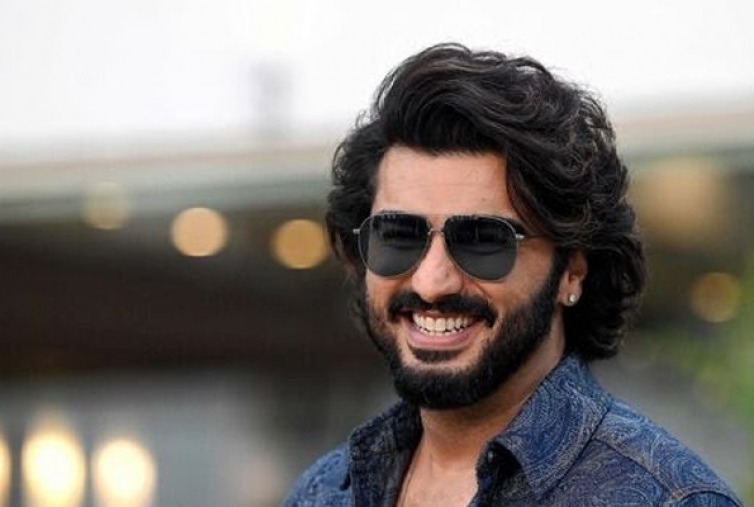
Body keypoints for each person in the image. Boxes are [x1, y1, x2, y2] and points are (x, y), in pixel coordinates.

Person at [283, 43, 743, 506]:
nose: (432, 282)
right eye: (398, 235)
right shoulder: (324, 492)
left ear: (572, 271)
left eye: (483, 240)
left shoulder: (669, 499)